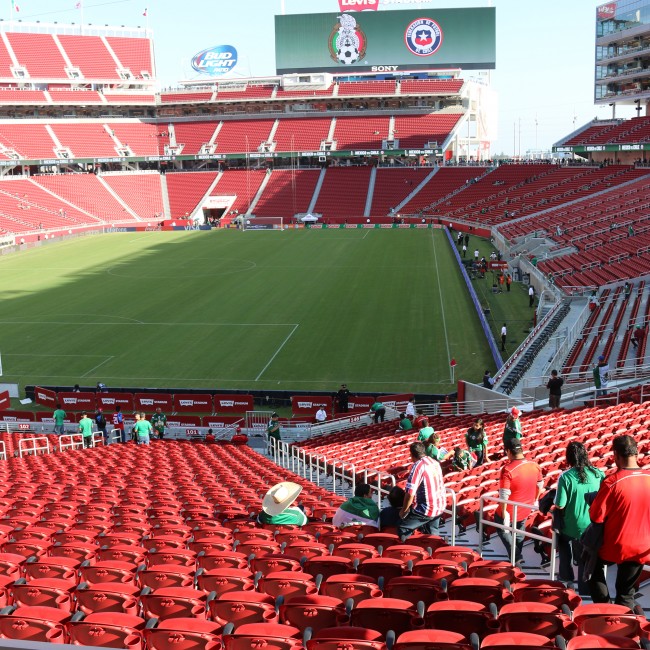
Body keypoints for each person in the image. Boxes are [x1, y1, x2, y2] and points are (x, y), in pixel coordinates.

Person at [588, 435, 650, 609]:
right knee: (625, 593)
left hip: (615, 546)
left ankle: (605, 609)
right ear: (636, 453)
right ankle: (625, 630)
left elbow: (596, 516)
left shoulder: (612, 482)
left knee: (590, 566)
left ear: (615, 455)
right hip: (642, 547)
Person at [554, 442, 604, 594]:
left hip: (571, 526)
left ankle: (566, 578)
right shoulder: (599, 474)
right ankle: (584, 590)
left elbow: (560, 505)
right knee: (585, 557)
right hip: (592, 526)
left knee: (562, 543)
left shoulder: (565, 477)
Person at [494, 438, 543, 565]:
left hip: (511, 509)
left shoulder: (508, 469)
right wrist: (536, 500)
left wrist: (504, 513)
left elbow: (504, 494)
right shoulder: (535, 465)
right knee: (520, 531)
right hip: (525, 507)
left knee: (501, 525)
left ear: (508, 451)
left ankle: (516, 556)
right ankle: (515, 558)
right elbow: (540, 485)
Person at [398, 442, 447, 539]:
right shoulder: (435, 462)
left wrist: (404, 510)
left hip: (426, 507)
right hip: (440, 505)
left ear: (412, 455)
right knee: (432, 533)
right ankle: (433, 548)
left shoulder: (418, 466)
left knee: (403, 528)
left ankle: (405, 550)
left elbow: (410, 493)